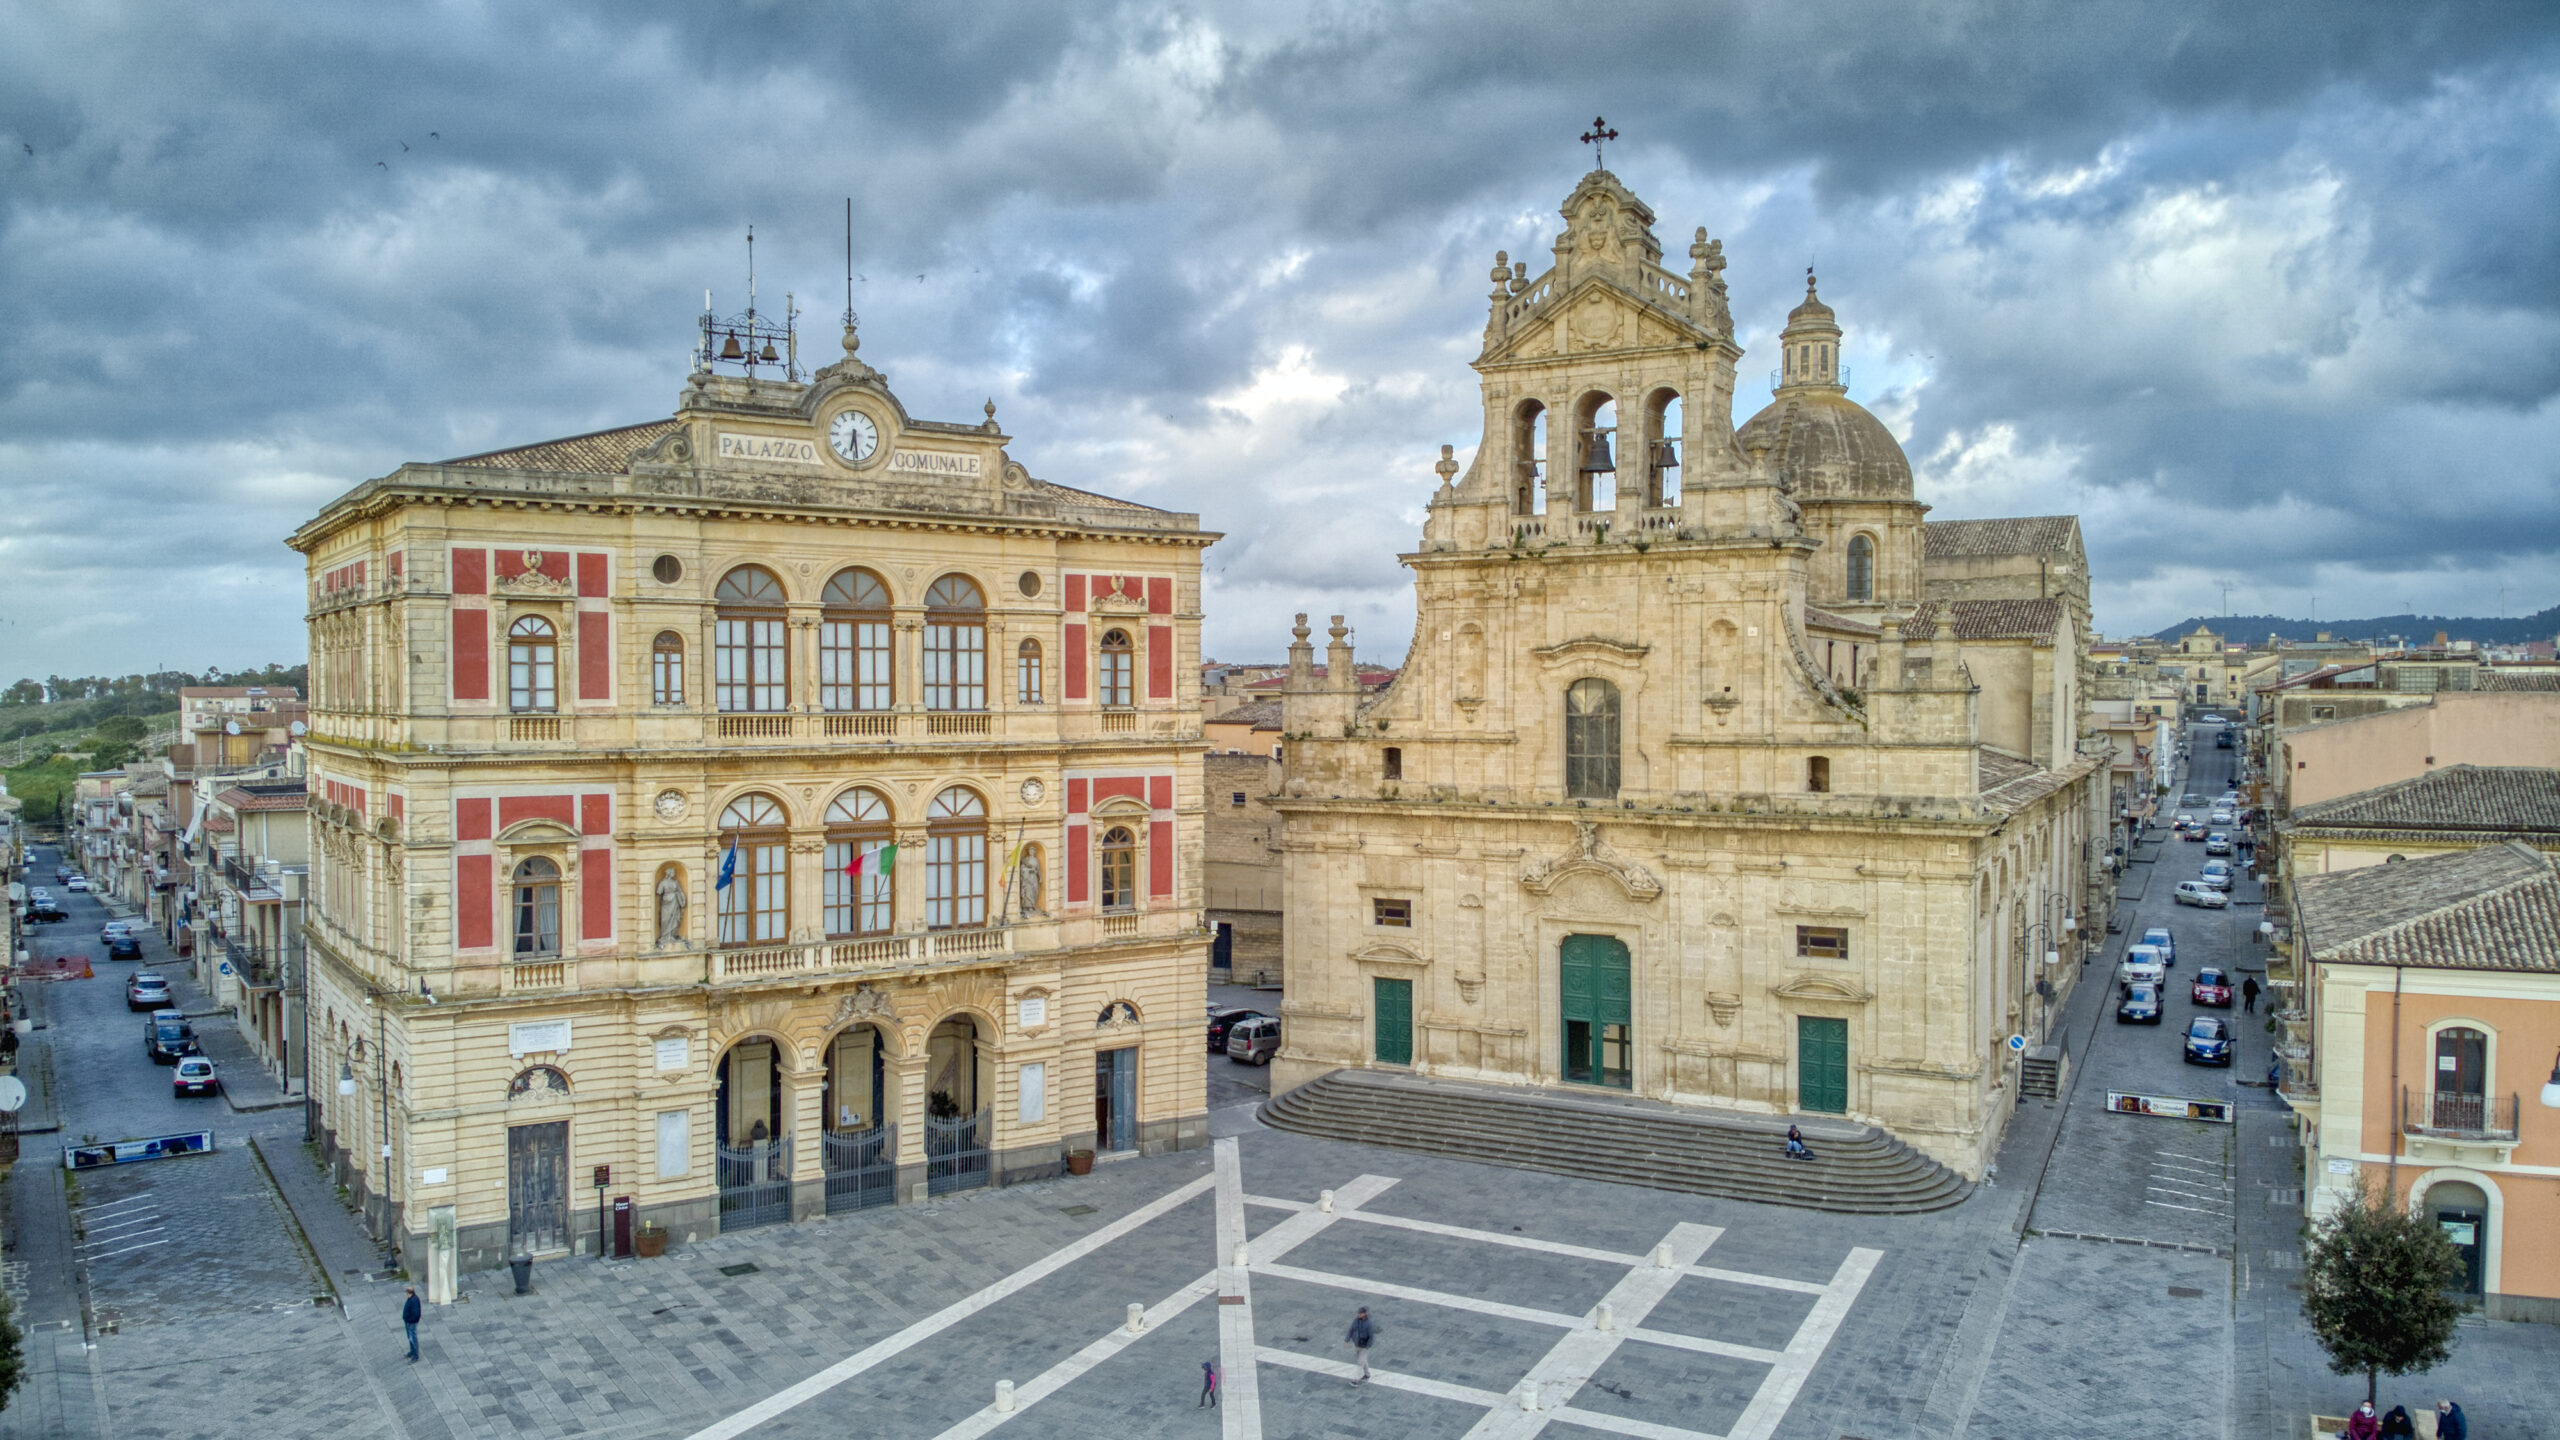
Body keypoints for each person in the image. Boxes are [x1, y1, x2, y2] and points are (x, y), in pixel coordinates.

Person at [1345, 1307, 1375, 1384]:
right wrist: (1346, 1340)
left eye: (1360, 1313)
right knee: (1363, 1360)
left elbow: (1371, 1336)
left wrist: (1367, 1346)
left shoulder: (1369, 1324)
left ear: (1364, 1314)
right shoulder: (1356, 1320)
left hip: (1364, 1346)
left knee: (1360, 1362)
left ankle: (1355, 1380)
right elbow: (1351, 1329)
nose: (1358, 1314)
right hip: (1357, 1344)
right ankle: (1367, 1374)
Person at [402, 1286, 423, 1362]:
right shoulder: (411, 1299)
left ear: (409, 1293)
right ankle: (412, 1352)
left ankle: (415, 1355)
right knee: (410, 1338)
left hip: (411, 1323)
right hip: (409, 1322)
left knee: (413, 1338)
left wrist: (409, 1320)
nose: (406, 1294)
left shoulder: (413, 1300)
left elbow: (416, 1314)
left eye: (406, 1293)